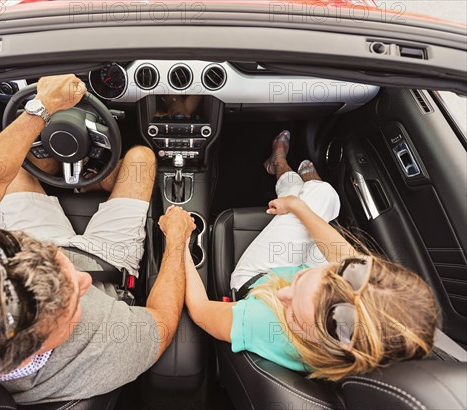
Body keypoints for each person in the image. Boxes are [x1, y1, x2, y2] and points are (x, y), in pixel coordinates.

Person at [0, 74, 196, 402]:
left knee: (21, 169)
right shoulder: (100, 352)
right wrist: (177, 240)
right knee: (141, 159)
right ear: (27, 356)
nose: (80, 278)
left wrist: (42, 109)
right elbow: (164, 323)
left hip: (34, 233)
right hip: (108, 259)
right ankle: (98, 177)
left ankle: (86, 183)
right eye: (70, 312)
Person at [184, 130, 437, 381]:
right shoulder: (352, 334)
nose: (282, 292)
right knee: (315, 202)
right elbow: (344, 255)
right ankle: (293, 185)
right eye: (305, 277)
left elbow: (200, 309)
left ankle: (283, 168)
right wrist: (295, 205)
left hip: (255, 279)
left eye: (292, 315)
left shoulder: (262, 320)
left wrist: (179, 242)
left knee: (322, 194)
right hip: (307, 281)